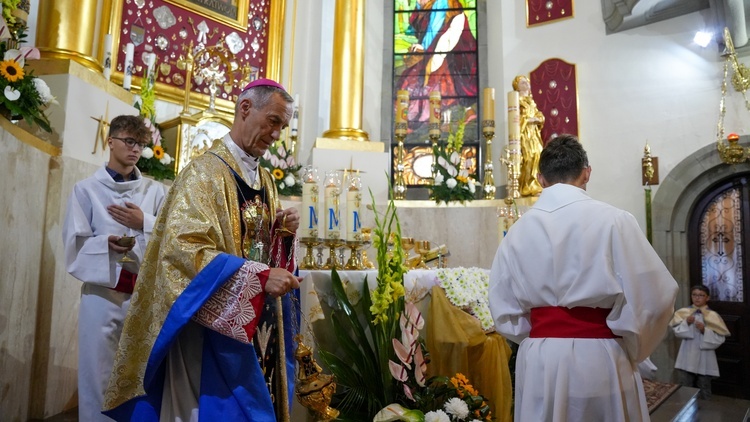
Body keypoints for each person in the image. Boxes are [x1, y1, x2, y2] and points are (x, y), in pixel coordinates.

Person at [102, 79, 302, 421]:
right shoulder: (202, 173)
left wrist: (280, 233)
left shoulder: (265, 179)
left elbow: (256, 245)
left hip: (254, 323)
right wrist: (258, 277)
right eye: (272, 121)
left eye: (282, 127)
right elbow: (182, 250)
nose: (276, 134)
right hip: (209, 327)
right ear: (245, 108)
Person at [488, 134, 678, 421]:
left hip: (540, 359)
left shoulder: (516, 232)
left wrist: (544, 336)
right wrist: (634, 347)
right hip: (601, 357)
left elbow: (502, 308)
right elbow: (655, 297)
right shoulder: (615, 220)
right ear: (586, 173)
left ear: (540, 179)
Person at [62, 114, 168, 422]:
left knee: (140, 375)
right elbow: (74, 243)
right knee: (97, 373)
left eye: (141, 144)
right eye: (129, 142)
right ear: (111, 142)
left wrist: (143, 222)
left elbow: (172, 238)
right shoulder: (86, 190)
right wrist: (106, 243)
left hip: (142, 297)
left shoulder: (155, 192)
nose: (135, 150)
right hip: (102, 294)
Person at [396, 0, 477, 123]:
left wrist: (423, 48)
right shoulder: (432, 5)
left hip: (456, 49)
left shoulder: (442, 3)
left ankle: (444, 117)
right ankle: (450, 117)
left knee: (440, 79)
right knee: (446, 81)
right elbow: (421, 26)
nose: (418, 0)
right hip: (450, 50)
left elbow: (434, 30)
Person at [670, 285, 730, 400]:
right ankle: (686, 412)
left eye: (701, 295)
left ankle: (705, 412)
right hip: (687, 353)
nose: (697, 298)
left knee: (704, 385)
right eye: (694, 295)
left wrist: (704, 330)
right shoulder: (683, 313)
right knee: (685, 385)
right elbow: (676, 332)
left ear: (707, 298)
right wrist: (686, 323)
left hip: (705, 356)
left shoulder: (713, 316)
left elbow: (720, 338)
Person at [513, 75, 545, 197]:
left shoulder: (531, 102)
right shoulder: (517, 101)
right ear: (517, 86)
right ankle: (526, 187)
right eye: (522, 82)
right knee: (529, 157)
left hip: (534, 134)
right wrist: (527, 120)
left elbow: (538, 114)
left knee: (538, 154)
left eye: (527, 82)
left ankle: (536, 186)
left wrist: (539, 118)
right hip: (524, 133)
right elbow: (515, 118)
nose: (526, 84)